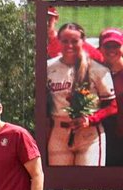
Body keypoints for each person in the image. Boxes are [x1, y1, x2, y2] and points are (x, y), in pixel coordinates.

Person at [46, 22, 116, 166]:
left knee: (92, 181)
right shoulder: (48, 67)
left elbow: (113, 106)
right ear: (58, 41)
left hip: (89, 135)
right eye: (65, 41)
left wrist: (91, 119)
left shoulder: (98, 70)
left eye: (74, 41)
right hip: (59, 133)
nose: (69, 45)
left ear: (83, 41)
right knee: (59, 181)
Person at [96, 29, 123, 167]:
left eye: (116, 46)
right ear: (100, 48)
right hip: (108, 139)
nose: (112, 50)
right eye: (107, 46)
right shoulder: (95, 73)